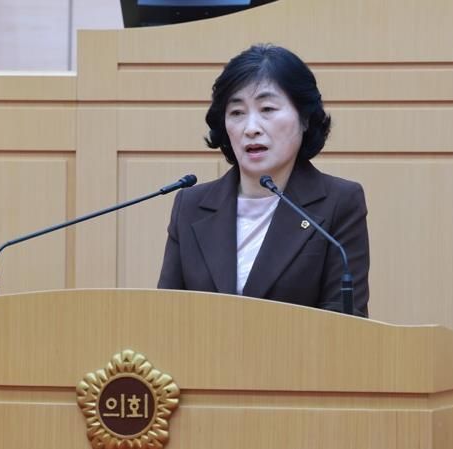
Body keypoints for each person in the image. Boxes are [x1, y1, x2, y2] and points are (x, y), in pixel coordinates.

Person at [157, 44, 370, 317]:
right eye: (237, 112)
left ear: (304, 118)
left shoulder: (339, 203)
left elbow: (344, 324)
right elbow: (166, 315)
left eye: (267, 109)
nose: (251, 128)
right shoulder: (190, 205)